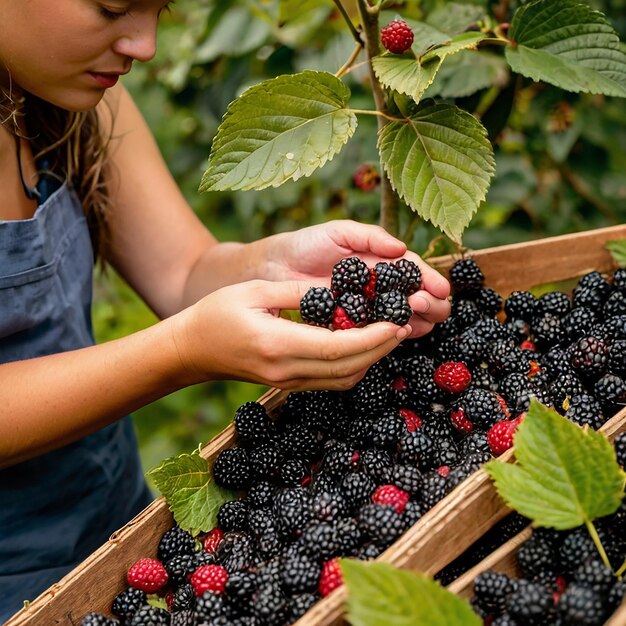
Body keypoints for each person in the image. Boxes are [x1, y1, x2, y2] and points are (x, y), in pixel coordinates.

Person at [0, 0, 451, 620]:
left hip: (116, 536)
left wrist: (275, 266)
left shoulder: (74, 98)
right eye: (111, 7)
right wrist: (181, 353)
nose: (145, 45)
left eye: (160, 8)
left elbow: (183, 269)